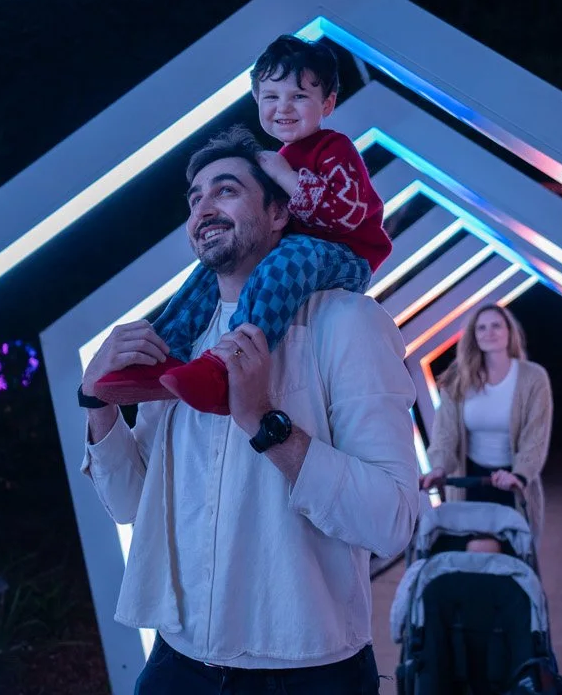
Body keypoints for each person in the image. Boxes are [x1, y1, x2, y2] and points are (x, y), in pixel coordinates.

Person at [77, 126, 418, 693]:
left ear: (280, 212)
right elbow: (131, 504)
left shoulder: (347, 324)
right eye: (195, 198)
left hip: (305, 674)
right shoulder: (179, 341)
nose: (204, 208)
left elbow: (393, 521)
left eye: (226, 190)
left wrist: (265, 423)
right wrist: (98, 405)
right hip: (175, 664)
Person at [94, 35, 392, 415]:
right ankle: (166, 354)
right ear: (257, 100)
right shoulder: (279, 157)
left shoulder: (333, 148)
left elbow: (346, 214)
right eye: (271, 97)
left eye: (299, 96)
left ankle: (226, 365)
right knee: (204, 277)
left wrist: (287, 178)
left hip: (350, 255)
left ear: (328, 103)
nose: (283, 107)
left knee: (289, 256)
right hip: (303, 254)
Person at [419, 303, 553, 541]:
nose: (488, 332)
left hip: (513, 482)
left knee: (514, 552)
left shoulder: (533, 378)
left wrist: (520, 475)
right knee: (470, 552)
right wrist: (439, 467)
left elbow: (536, 435)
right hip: (468, 479)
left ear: (509, 332)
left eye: (496, 326)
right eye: (481, 328)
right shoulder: (459, 378)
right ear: (474, 337)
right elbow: (445, 432)